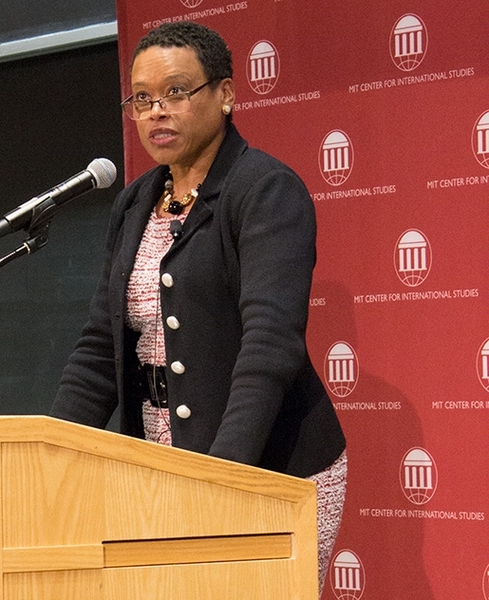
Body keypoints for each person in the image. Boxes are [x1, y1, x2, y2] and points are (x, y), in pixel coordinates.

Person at [49, 21, 347, 591]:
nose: (157, 111)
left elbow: (269, 345)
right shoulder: (137, 201)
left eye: (177, 92)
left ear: (226, 95)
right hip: (164, 468)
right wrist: (49, 454)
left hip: (268, 466)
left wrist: (216, 477)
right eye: (142, 99)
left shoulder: (264, 189)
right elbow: (99, 347)